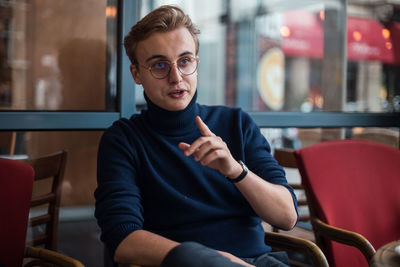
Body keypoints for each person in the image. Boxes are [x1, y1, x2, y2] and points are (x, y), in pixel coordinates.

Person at [95, 5, 298, 267]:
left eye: (185, 61)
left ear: (196, 63)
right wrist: (210, 259)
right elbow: (123, 240)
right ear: (136, 74)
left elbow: (287, 217)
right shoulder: (123, 140)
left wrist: (236, 170)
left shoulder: (236, 123)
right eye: (159, 65)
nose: (176, 77)